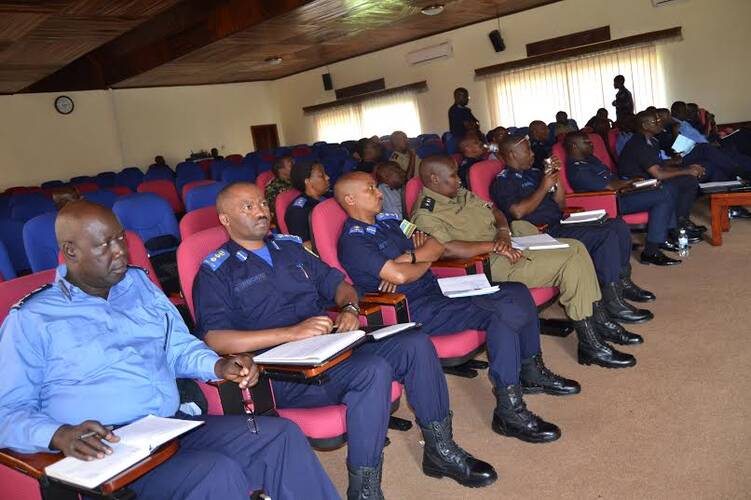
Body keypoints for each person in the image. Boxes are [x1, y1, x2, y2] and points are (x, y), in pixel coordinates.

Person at [0, 200, 338, 500]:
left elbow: (177, 347)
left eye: (121, 239)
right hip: (107, 452)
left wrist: (218, 366)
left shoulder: (138, 285)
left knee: (280, 436)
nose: (120, 252)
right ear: (71, 252)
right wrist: (58, 434)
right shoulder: (33, 318)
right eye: (105, 245)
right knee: (215, 473)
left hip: (169, 426)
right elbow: (7, 412)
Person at [193, 182, 497, 498]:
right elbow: (216, 338)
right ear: (225, 219)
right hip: (282, 371)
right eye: (248, 207)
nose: (261, 211)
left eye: (262, 204)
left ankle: (440, 450)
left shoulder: (289, 248)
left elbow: (339, 285)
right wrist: (291, 333)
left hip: (330, 346)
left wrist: (349, 308)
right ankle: (365, 490)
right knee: (372, 371)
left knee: (415, 344)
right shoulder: (217, 270)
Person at [336, 172, 579, 445]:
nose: (380, 193)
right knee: (501, 312)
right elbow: (400, 276)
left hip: (435, 289)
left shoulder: (390, 221)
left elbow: (437, 245)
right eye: (370, 189)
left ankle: (531, 371)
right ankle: (509, 410)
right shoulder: (354, 242)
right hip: (411, 308)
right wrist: (418, 262)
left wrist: (410, 259)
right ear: (350, 199)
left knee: (516, 291)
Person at [410, 156, 637, 368]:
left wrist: (502, 232)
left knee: (576, 247)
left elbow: (495, 211)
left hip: (507, 243)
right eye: (453, 175)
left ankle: (599, 321)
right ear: (434, 179)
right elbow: (446, 249)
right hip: (486, 262)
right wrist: (494, 246)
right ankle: (590, 343)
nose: (459, 180)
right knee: (570, 261)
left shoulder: (458, 192)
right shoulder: (425, 213)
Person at [490, 133, 654, 325]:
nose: (533, 154)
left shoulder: (534, 173)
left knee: (617, 224)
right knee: (605, 235)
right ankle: (613, 303)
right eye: (528, 151)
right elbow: (518, 212)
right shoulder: (503, 182)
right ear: (512, 154)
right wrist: (544, 186)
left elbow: (560, 204)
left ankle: (622, 283)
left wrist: (556, 179)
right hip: (539, 233)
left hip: (559, 223)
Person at [564, 131, 682, 265]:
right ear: (574, 146)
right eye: (586, 142)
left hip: (621, 193)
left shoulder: (589, 159)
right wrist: (630, 182)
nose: (591, 144)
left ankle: (662, 238)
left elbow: (612, 179)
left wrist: (634, 185)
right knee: (663, 195)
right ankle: (651, 251)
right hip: (610, 202)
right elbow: (609, 186)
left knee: (667, 187)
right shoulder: (578, 170)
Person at [618, 110, 706, 238]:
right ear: (645, 126)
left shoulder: (652, 141)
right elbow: (658, 173)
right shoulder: (639, 144)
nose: (660, 123)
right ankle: (678, 225)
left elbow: (660, 166)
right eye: (656, 122)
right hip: (634, 186)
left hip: (649, 179)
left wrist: (687, 168)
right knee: (685, 181)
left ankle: (681, 221)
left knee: (687, 179)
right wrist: (687, 171)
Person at [285, 160, 330, 246]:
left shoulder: (328, 197)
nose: (327, 177)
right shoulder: (299, 211)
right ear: (308, 181)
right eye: (321, 175)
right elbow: (305, 246)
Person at [264, 155, 294, 222]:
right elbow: (274, 210)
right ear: (281, 170)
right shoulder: (273, 187)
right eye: (291, 165)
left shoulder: (297, 181)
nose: (295, 167)